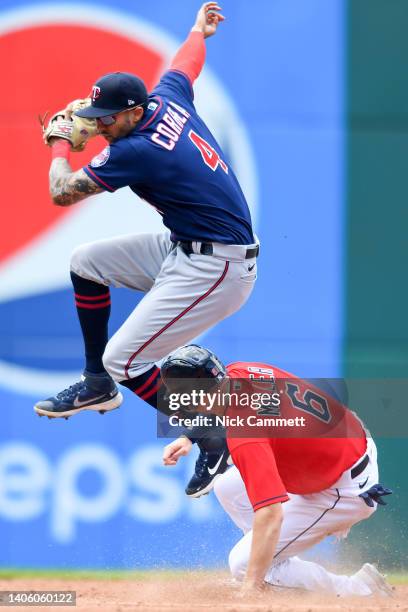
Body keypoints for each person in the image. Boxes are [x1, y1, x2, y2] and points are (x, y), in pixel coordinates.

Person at [34, 2, 258, 498]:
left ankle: (210, 436)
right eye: (96, 117)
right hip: (186, 245)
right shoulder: (166, 99)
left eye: (105, 119)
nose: (98, 125)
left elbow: (61, 191)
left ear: (134, 113)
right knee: (84, 262)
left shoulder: (138, 149)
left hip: (217, 267)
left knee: (127, 359)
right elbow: (185, 65)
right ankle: (96, 383)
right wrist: (198, 31)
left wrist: (59, 143)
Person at [161, 345, 393, 598]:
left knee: (241, 566)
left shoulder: (246, 434)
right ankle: (273, 565)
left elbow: (270, 513)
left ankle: (360, 589)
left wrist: (250, 586)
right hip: (347, 445)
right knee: (227, 487)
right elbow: (223, 401)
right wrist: (189, 437)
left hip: (342, 489)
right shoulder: (240, 372)